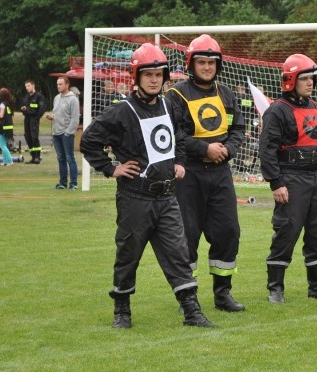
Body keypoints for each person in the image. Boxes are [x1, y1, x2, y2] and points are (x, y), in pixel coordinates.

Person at [80, 42, 215, 329]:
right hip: (135, 199)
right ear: (136, 76)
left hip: (167, 198)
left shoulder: (168, 104)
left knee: (178, 254)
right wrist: (111, 168)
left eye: (158, 74)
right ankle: (122, 311)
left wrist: (179, 161)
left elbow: (178, 135)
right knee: (128, 255)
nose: (154, 80)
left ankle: (192, 312)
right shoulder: (121, 111)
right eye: (148, 74)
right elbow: (89, 141)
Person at [166, 34, 246, 313]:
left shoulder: (226, 93)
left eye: (212, 62)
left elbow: (238, 129)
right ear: (191, 63)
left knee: (228, 231)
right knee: (186, 236)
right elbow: (173, 135)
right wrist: (203, 149)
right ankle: (188, 296)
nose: (207, 67)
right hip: (188, 174)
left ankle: (223, 294)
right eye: (202, 62)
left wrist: (227, 150)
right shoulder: (175, 95)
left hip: (221, 172)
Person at [259, 53, 317, 303]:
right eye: (304, 78)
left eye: (312, 78)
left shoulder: (316, 107)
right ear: (290, 80)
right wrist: (276, 182)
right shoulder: (277, 111)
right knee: (287, 230)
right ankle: (275, 288)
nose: (310, 83)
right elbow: (267, 149)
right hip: (291, 178)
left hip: (316, 178)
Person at [46, 76, 80, 189]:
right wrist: (52, 116)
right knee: (61, 159)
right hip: (56, 133)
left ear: (67, 85)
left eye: (60, 84)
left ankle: (73, 183)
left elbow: (75, 118)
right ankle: (62, 183)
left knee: (70, 158)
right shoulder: (56, 98)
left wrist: (68, 133)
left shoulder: (73, 99)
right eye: (57, 84)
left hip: (66, 134)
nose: (58, 86)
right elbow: (59, 114)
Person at [21, 79, 46, 164]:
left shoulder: (39, 96)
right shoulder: (26, 97)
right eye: (26, 87)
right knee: (28, 137)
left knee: (34, 137)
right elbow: (24, 106)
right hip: (27, 118)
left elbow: (42, 109)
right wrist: (23, 109)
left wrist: (36, 118)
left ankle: (38, 157)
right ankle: (33, 156)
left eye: (28, 86)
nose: (27, 88)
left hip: (34, 118)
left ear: (33, 85)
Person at [0, 87, 15, 165]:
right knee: (4, 145)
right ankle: (5, 161)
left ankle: (9, 161)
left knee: (2, 145)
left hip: (2, 128)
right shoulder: (9, 104)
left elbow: (1, 115)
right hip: (9, 127)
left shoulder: (2, 104)